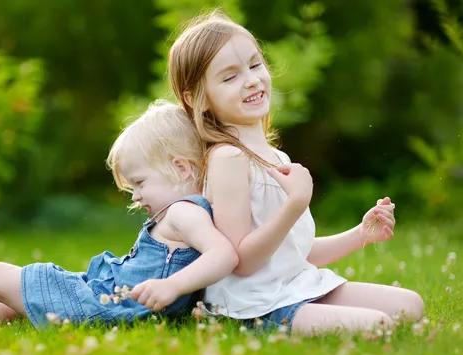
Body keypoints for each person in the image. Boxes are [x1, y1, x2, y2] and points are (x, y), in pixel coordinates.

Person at [167, 9, 424, 335]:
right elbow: (242, 262)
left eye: (255, 64)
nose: (251, 79)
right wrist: (295, 204)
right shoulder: (228, 158)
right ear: (196, 99)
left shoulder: (275, 155)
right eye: (230, 76)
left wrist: (360, 235)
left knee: (411, 305)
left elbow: (291, 252)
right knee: (377, 326)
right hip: (255, 303)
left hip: (295, 284)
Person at [0, 100, 238, 329]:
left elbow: (225, 253)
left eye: (141, 182)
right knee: (12, 302)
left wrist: (173, 285)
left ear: (180, 169)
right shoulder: (186, 213)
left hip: (109, 308)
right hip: (111, 299)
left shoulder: (183, 213)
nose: (136, 194)